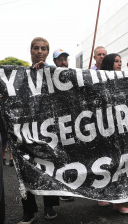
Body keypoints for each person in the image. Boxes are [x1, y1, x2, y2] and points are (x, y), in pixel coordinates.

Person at [14, 37, 60, 224]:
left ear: (47, 52)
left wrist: (47, 72)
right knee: (25, 170)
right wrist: (0, 98)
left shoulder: (55, 73)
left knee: (48, 168)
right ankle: (28, 211)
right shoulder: (18, 76)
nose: (39, 51)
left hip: (47, 131)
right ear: (30, 50)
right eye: (36, 48)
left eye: (43, 48)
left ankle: (49, 206)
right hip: (25, 131)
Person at [97, 53, 128, 214]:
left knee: (121, 163)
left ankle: (119, 201)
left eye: (120, 61)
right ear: (109, 63)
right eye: (116, 61)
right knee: (104, 162)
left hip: (121, 128)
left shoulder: (125, 79)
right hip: (103, 129)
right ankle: (103, 194)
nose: (119, 64)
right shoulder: (97, 79)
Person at [52, 48, 75, 202]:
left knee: (70, 155)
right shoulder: (49, 75)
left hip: (71, 122)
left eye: (65, 58)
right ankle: (60, 188)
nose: (63, 62)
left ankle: (70, 186)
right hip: (55, 124)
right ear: (54, 61)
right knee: (58, 156)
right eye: (60, 59)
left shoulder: (74, 75)